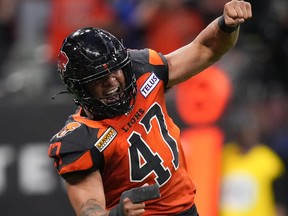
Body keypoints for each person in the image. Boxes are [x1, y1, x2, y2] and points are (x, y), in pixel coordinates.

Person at [48, 0, 252, 215]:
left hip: (186, 209)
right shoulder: (80, 138)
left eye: (115, 71)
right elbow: (89, 207)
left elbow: (206, 48)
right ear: (81, 89)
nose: (112, 81)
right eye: (98, 79)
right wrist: (118, 214)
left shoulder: (141, 71)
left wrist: (227, 25)